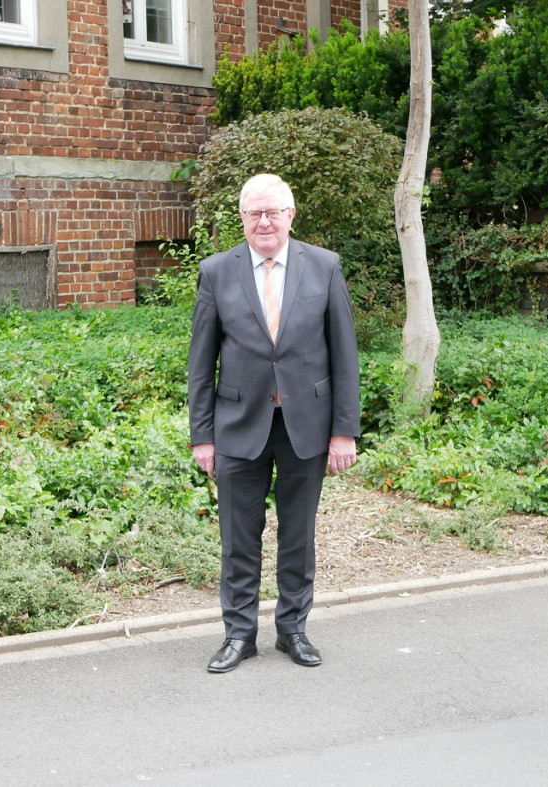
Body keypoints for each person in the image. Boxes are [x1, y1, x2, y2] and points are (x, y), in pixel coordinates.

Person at [188, 173, 360, 673]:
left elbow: (344, 355)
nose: (263, 222)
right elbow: (201, 363)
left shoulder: (324, 267)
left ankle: (293, 631)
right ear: (242, 219)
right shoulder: (217, 271)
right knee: (239, 537)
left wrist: (344, 430)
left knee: (298, 535)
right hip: (238, 425)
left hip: (307, 424)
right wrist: (203, 435)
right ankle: (239, 635)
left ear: (290, 215)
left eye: (272, 212)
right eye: (253, 213)